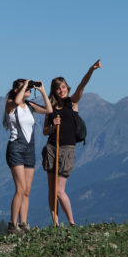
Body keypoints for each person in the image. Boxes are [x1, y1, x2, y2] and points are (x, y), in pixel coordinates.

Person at [42, 59, 101, 226]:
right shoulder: (50, 109)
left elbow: (82, 85)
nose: (61, 90)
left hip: (67, 149)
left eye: (63, 87)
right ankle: (55, 222)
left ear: (67, 88)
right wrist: (53, 128)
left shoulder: (73, 103)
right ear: (54, 91)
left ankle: (72, 223)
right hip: (52, 147)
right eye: (57, 88)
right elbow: (44, 131)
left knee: (60, 191)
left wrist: (91, 70)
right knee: (52, 190)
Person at [3, 79, 52, 234]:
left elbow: (49, 110)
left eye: (29, 88)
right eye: (24, 88)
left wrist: (43, 91)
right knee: (20, 188)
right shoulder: (11, 104)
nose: (28, 90)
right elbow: (17, 101)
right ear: (17, 90)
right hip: (16, 148)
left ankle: (24, 224)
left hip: (29, 150)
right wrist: (25, 84)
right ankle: (13, 224)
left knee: (27, 190)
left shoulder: (30, 106)